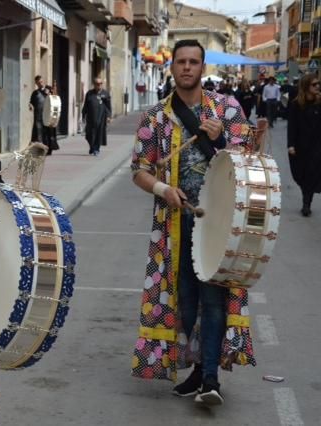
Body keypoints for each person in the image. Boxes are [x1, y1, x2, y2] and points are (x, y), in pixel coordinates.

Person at [130, 39, 254, 406]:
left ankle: (211, 379)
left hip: (218, 223)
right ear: (172, 68)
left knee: (213, 300)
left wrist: (224, 142)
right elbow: (139, 170)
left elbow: (250, 162)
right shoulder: (155, 117)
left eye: (193, 62)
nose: (187, 68)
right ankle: (200, 371)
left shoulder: (227, 109)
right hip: (175, 225)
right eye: (181, 62)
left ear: (203, 67)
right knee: (186, 302)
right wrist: (164, 188)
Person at [287, 73, 321, 217]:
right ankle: (306, 196)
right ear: (306, 86)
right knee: (300, 174)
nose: (318, 86)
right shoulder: (296, 104)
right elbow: (292, 126)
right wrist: (291, 144)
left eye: (319, 83)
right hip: (300, 145)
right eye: (314, 84)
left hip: (317, 145)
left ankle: (306, 204)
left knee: (312, 174)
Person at [82, 77, 112, 156]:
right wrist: (83, 115)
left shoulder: (105, 94)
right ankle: (92, 147)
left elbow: (108, 106)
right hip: (91, 117)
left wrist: (109, 116)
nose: (99, 85)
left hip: (101, 117)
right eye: (97, 84)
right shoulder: (89, 93)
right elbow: (85, 105)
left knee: (99, 134)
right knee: (89, 135)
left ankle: (96, 149)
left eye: (100, 84)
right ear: (94, 84)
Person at [29, 75, 48, 143]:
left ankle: (47, 148)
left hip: (46, 115)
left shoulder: (48, 90)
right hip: (38, 116)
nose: (40, 84)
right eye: (38, 83)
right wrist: (31, 106)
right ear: (36, 84)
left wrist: (48, 93)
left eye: (41, 82)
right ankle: (39, 147)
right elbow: (31, 102)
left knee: (46, 132)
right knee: (37, 132)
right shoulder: (35, 93)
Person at [43, 83, 60, 155]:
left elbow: (56, 110)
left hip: (51, 120)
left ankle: (50, 149)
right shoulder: (45, 98)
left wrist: (54, 120)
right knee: (46, 135)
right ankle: (47, 149)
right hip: (45, 119)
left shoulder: (54, 98)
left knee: (51, 136)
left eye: (48, 91)